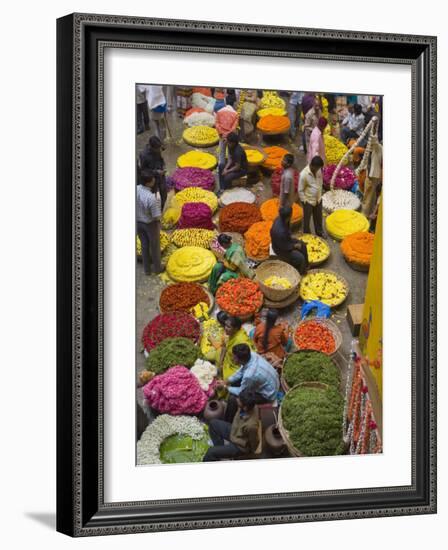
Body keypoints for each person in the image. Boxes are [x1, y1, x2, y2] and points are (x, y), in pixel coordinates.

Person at [202, 389, 260, 461]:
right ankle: (220, 452)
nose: (237, 400)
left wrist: (251, 452)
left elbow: (254, 442)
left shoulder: (251, 425)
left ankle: (218, 453)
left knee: (210, 453)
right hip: (234, 431)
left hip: (240, 446)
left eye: (240, 400)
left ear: (245, 407)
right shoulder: (248, 405)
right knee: (213, 423)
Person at [219, 344, 280, 410]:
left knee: (233, 399)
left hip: (269, 394)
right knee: (234, 383)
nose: (232, 358)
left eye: (234, 357)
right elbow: (241, 371)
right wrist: (227, 381)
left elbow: (241, 391)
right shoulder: (252, 354)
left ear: (240, 360)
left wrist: (226, 387)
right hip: (273, 381)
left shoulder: (249, 375)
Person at [210, 316, 255, 381]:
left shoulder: (241, 340)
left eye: (228, 327)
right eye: (225, 325)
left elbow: (249, 359)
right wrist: (220, 363)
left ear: (235, 329)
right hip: (229, 357)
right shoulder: (231, 334)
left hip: (236, 364)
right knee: (218, 354)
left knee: (227, 379)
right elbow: (224, 347)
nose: (225, 328)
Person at [136, 170, 162, 275]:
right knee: (155, 246)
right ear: (148, 182)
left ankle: (147, 269)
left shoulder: (136, 189)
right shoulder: (151, 198)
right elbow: (156, 216)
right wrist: (160, 223)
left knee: (144, 245)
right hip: (150, 224)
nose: (154, 180)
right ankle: (157, 268)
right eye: (152, 179)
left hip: (137, 222)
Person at [270, 206, 309, 274]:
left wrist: (292, 236)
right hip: (280, 249)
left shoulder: (281, 219)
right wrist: (295, 246)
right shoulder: (280, 232)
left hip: (286, 241)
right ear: (288, 216)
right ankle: (302, 273)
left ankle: (306, 265)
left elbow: (287, 233)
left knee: (303, 245)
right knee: (301, 258)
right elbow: (284, 246)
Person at [298, 155, 325, 237]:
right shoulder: (303, 174)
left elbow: (320, 181)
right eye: (317, 168)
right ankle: (307, 234)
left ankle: (319, 232)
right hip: (308, 201)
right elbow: (300, 190)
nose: (318, 170)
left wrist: (320, 194)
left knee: (318, 218)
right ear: (312, 166)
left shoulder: (319, 170)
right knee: (307, 219)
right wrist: (305, 201)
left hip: (318, 199)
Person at [139, 136, 168, 209]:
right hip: (153, 179)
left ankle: (162, 207)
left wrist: (163, 165)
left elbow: (161, 159)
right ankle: (156, 210)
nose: (159, 150)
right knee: (155, 196)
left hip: (161, 176)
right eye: (157, 149)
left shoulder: (158, 149)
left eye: (159, 148)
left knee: (164, 193)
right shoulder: (144, 155)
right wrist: (156, 172)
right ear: (152, 147)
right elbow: (143, 171)